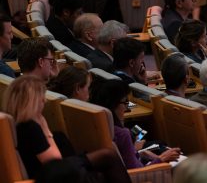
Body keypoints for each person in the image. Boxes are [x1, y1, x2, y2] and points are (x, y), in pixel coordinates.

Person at [2, 75, 131, 182]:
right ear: (33, 101)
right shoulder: (30, 126)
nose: (45, 102)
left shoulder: (16, 122)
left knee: (104, 163)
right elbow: (54, 162)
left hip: (54, 172)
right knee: (108, 156)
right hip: (51, 176)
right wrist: (44, 127)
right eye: (42, 98)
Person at [90, 79, 181, 169]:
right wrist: (162, 158)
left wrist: (138, 153)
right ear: (113, 105)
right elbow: (138, 173)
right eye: (125, 102)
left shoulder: (94, 126)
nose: (126, 108)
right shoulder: (122, 134)